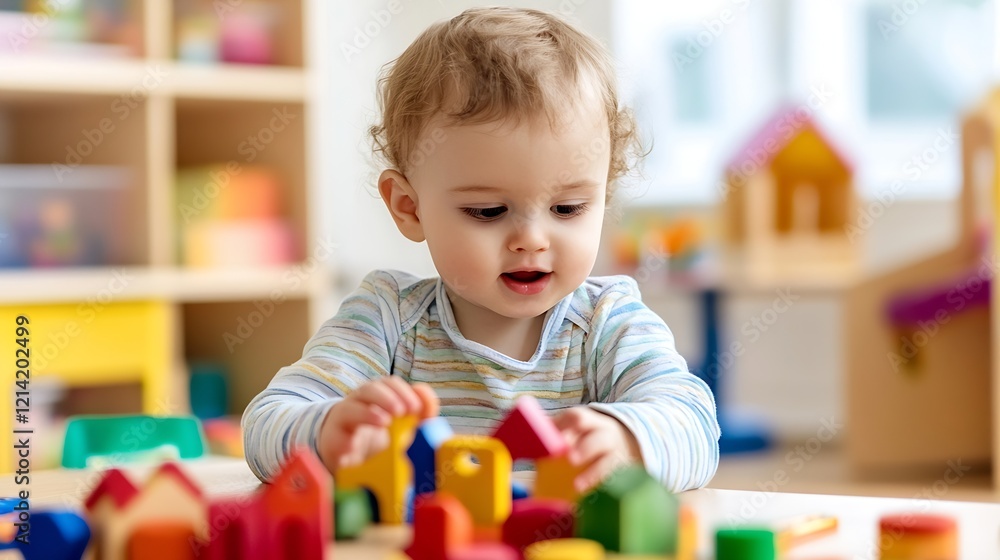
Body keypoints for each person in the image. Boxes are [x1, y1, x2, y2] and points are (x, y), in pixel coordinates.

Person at [242, 6, 719, 493]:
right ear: (410, 207)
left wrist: (627, 441)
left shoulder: (607, 323)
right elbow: (267, 422)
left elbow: (696, 427)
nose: (532, 239)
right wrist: (327, 432)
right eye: (489, 211)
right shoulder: (387, 320)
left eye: (569, 208)